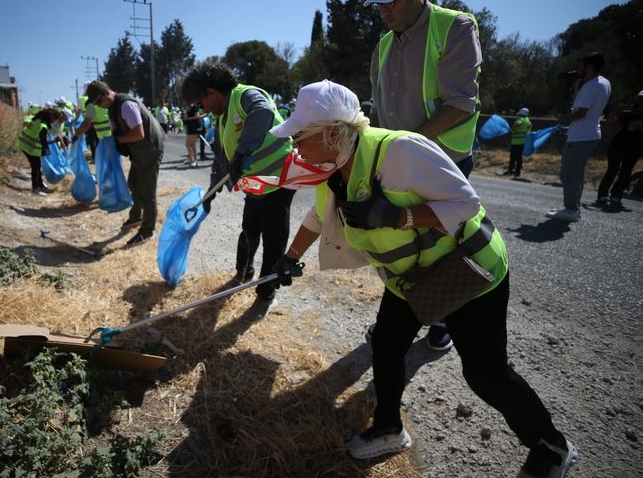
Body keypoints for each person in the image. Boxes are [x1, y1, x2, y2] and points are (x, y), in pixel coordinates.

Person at [273, 80, 577, 478]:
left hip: (466, 272)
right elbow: (319, 215)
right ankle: (389, 428)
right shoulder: (334, 170)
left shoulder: (400, 150)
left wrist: (399, 216)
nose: (295, 145)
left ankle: (551, 446)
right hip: (412, 278)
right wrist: (289, 257)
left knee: (485, 375)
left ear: (332, 132)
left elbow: (465, 203)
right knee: (386, 345)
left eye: (300, 135)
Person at [366, 0, 482, 351]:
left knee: (442, 244)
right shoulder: (384, 44)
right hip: (397, 163)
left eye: (392, 2)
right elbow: (378, 109)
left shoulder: (454, 27)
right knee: (402, 240)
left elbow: (460, 103)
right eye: (379, 3)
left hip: (443, 162)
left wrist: (408, 146)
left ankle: (443, 317)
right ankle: (398, 318)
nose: (384, 11)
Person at [180, 61, 294, 317]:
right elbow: (221, 159)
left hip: (278, 181)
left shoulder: (245, 95)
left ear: (211, 92)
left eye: (201, 101)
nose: (202, 108)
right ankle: (243, 273)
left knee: (273, 240)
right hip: (254, 184)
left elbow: (263, 112)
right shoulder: (220, 117)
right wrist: (211, 192)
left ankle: (265, 294)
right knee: (249, 230)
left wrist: (243, 151)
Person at [84, 80, 165, 246]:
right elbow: (116, 130)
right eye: (96, 104)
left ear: (107, 93)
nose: (99, 106)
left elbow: (139, 133)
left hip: (150, 148)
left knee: (147, 191)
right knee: (133, 184)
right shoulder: (111, 108)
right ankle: (136, 216)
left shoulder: (126, 105)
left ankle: (147, 231)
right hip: (139, 149)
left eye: (99, 102)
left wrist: (118, 140)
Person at [549, 52, 612, 221]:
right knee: (576, 174)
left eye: (582, 66)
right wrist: (576, 86)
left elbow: (581, 112)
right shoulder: (604, 83)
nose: (579, 70)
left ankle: (571, 209)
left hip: (580, 136)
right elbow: (580, 104)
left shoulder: (591, 86)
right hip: (589, 134)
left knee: (568, 174)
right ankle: (573, 207)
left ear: (589, 67)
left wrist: (564, 118)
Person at [596, 90, 642, 206]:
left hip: (635, 147)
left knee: (626, 171)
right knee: (612, 170)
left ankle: (616, 194)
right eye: (640, 100)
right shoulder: (628, 113)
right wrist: (616, 111)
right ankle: (603, 194)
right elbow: (609, 123)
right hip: (618, 145)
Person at [16, 108, 61, 196]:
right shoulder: (42, 127)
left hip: (23, 143)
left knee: (37, 165)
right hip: (27, 146)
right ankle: (35, 189)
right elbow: (43, 142)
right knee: (36, 167)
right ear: (50, 118)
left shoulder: (37, 120)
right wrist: (54, 141)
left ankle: (40, 186)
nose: (54, 121)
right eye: (55, 119)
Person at [72, 89, 113, 162]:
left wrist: (76, 134)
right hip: (110, 132)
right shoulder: (106, 99)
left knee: (93, 141)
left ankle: (95, 157)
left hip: (91, 124)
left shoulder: (88, 103)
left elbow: (84, 120)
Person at [505, 108, 532, 177]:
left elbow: (518, 124)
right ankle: (518, 172)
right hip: (523, 142)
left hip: (516, 142)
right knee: (519, 158)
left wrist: (513, 130)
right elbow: (529, 129)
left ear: (521, 114)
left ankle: (510, 170)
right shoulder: (528, 121)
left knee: (513, 157)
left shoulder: (520, 120)